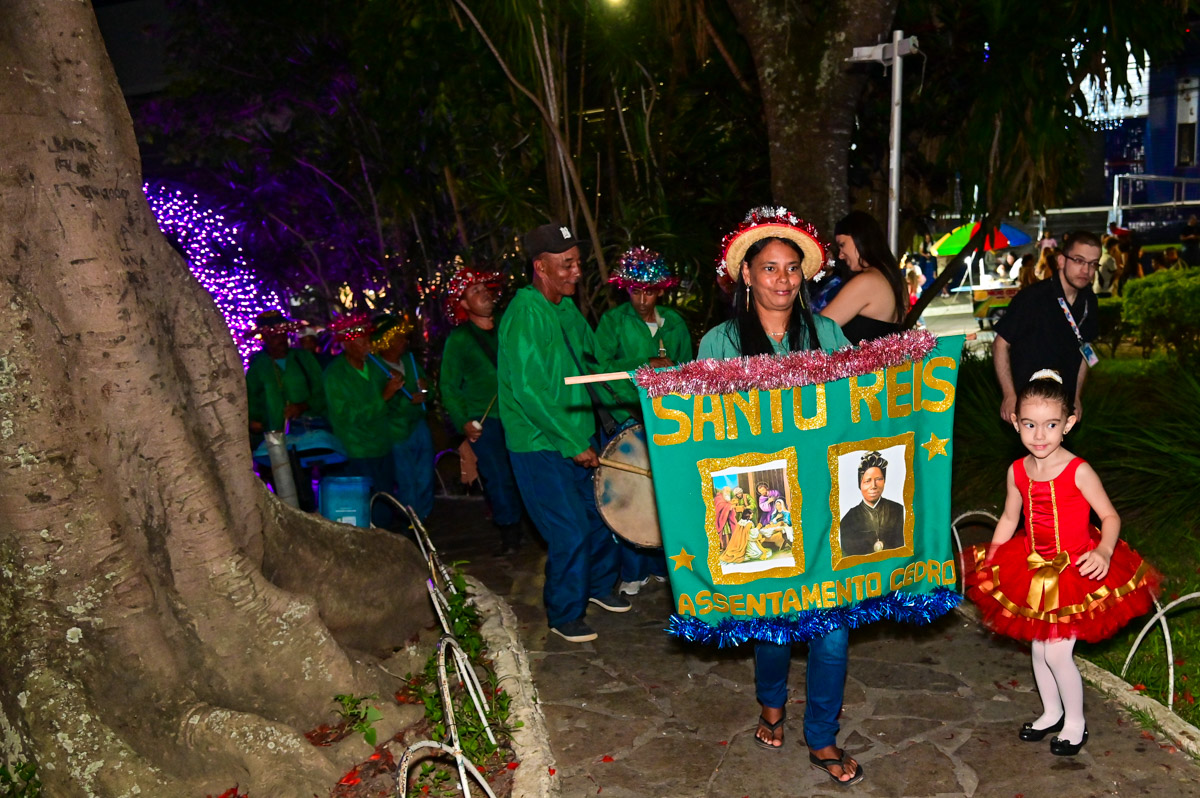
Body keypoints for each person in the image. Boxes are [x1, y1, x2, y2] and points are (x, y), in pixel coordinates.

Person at [698, 207, 861, 785]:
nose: (783, 279)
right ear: (746, 274)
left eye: (792, 268)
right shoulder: (719, 343)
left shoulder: (827, 335)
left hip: (821, 502)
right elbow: (699, 433)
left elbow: (862, 406)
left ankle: (822, 737)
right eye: (769, 268)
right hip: (757, 505)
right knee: (772, 624)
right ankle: (771, 700)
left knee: (832, 629)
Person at [962, 371, 1160, 755]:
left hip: (1075, 569)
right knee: (1039, 648)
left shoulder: (1078, 470)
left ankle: (1075, 723)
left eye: (1051, 425)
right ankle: (1051, 712)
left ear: (1068, 424)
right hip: (1033, 567)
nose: (1040, 435)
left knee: (1056, 652)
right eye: (1030, 425)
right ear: (1015, 422)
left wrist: (1104, 551)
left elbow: (1110, 517)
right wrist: (994, 558)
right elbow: (1009, 518)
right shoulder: (1017, 471)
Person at [498, 222, 631, 644]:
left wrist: (640, 382)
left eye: (577, 262)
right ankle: (563, 612)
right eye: (567, 263)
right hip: (540, 444)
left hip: (577, 433)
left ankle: (597, 587)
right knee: (568, 529)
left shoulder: (565, 308)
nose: (577, 271)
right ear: (540, 266)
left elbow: (594, 364)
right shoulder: (525, 314)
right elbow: (529, 391)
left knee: (600, 516)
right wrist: (572, 443)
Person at [595, 246, 690, 594]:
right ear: (626, 288)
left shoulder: (674, 323)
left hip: (666, 420)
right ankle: (633, 572)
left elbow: (688, 371)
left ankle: (663, 565)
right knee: (629, 494)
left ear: (661, 290)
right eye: (635, 291)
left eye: (649, 292)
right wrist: (642, 368)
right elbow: (600, 369)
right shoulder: (613, 322)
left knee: (663, 492)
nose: (642, 299)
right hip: (624, 419)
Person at [440, 265, 526, 555]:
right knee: (498, 476)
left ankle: (533, 525)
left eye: (484, 289)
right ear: (463, 304)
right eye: (475, 291)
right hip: (486, 420)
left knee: (524, 470)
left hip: (520, 413)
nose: (484, 294)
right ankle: (510, 533)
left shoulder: (508, 324)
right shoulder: (460, 339)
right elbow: (448, 386)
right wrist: (463, 421)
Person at [993, 231, 1100, 422]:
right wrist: (1009, 395)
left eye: (1093, 264)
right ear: (1061, 261)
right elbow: (1000, 344)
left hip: (1064, 407)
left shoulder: (1089, 302)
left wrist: (1076, 397)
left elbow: (1086, 351)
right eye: (1079, 260)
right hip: (1027, 405)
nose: (1086, 270)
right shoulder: (1032, 297)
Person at [323, 313, 403, 529]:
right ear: (347, 345)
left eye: (369, 340)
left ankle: (387, 539)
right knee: (363, 505)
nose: (369, 346)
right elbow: (347, 416)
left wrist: (398, 389)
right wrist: (384, 397)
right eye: (363, 342)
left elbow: (390, 406)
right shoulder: (334, 375)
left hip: (382, 445)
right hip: (356, 450)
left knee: (385, 499)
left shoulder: (376, 367)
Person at [244, 310, 328, 511]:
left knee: (308, 489)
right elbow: (250, 400)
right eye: (274, 336)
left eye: (283, 334)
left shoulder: (303, 359)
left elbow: (321, 392)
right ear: (265, 338)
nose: (280, 339)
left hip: (306, 436)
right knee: (283, 491)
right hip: (272, 440)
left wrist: (302, 406)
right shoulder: (258, 366)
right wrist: (254, 421)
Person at [818, 211, 907, 344]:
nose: (840, 255)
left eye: (842, 245)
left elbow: (819, 329)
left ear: (860, 238)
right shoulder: (894, 278)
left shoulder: (868, 282)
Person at [838, 451, 905, 556]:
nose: (873, 486)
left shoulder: (899, 511)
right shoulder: (849, 520)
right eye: (867, 481)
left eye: (878, 479)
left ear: (884, 481)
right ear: (860, 484)